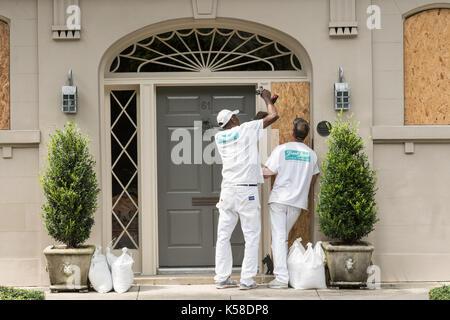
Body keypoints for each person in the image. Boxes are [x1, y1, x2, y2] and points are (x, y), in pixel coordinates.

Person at [214, 89, 279, 290]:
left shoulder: (220, 137)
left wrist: (254, 121)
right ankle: (247, 280)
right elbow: (274, 116)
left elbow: (242, 136)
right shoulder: (245, 130)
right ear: (233, 118)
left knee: (223, 235)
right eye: (236, 116)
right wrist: (267, 98)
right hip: (246, 192)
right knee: (251, 235)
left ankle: (222, 278)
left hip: (228, 192)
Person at [263, 118, 320, 289]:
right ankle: (284, 274)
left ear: (293, 132)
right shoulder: (311, 154)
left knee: (279, 239)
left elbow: (268, 173)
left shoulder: (282, 149)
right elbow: (315, 175)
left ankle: (281, 278)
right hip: (297, 202)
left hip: (280, 200)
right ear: (306, 135)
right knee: (282, 239)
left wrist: (255, 167)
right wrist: (302, 188)